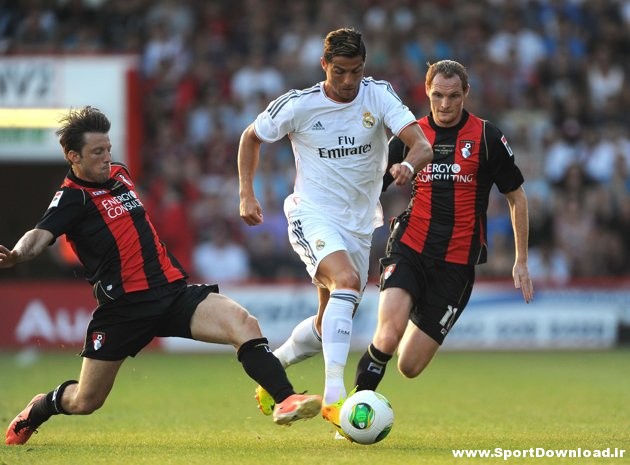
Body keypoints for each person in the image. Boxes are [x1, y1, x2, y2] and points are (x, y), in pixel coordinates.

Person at [2, 106, 321, 446]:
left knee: (243, 323)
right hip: (123, 309)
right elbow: (40, 234)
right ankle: (39, 408)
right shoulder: (71, 198)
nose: (106, 158)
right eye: (97, 152)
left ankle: (285, 399)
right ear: (73, 156)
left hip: (170, 292)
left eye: (108, 149)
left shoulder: (121, 174)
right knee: (86, 401)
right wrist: (19, 254)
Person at [237, 27, 434, 434]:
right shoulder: (299, 105)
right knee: (345, 281)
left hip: (361, 225)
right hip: (312, 214)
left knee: (330, 319)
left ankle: (272, 372)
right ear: (323, 65)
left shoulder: (377, 94)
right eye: (340, 71)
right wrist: (246, 195)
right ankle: (333, 399)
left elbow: (422, 145)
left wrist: (408, 166)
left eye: (356, 71)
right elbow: (251, 137)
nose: (348, 82)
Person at [353, 59, 534, 398]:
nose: (445, 104)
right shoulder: (411, 134)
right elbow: (370, 188)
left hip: (456, 265)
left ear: (466, 93)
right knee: (388, 335)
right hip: (410, 246)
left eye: (453, 96)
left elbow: (517, 197)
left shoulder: (486, 137)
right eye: (438, 95)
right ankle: (353, 410)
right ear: (427, 92)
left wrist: (520, 259)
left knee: (409, 366)